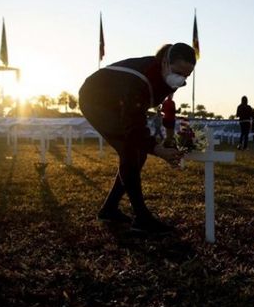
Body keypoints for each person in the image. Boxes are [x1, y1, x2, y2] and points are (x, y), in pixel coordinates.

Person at [79, 43, 196, 234]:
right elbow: (133, 125)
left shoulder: (169, 76)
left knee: (137, 153)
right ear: (165, 62)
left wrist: (168, 138)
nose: (181, 79)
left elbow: (167, 108)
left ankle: (109, 210)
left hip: (121, 105)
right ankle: (142, 218)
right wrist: (157, 150)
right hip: (95, 99)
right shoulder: (140, 79)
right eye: (179, 72)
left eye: (187, 75)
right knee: (130, 149)